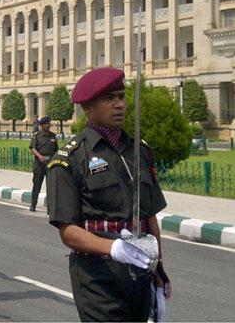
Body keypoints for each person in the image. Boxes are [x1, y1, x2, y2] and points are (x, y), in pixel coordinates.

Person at [46, 67, 171, 322]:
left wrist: (158, 268)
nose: (119, 105)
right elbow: (68, 231)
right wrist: (114, 248)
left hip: (139, 271)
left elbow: (149, 216)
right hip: (97, 274)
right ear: (88, 108)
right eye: (109, 98)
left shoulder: (139, 152)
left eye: (121, 97)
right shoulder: (70, 158)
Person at [29, 116, 58, 212]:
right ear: (41, 125)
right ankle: (33, 205)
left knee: (50, 186)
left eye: (48, 124)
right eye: (45, 124)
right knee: (37, 185)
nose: (47, 125)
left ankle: (50, 208)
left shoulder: (53, 136)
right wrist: (40, 156)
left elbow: (56, 150)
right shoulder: (36, 136)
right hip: (39, 163)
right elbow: (33, 148)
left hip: (50, 163)